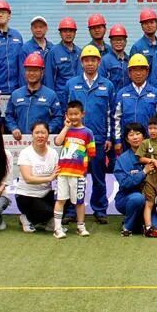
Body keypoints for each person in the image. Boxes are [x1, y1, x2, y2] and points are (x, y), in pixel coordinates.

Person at [64, 45, 115, 223]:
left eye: (93, 60)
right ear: (81, 62)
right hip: (74, 140)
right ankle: (71, 211)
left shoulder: (107, 85)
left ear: (99, 62)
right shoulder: (71, 84)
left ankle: (100, 209)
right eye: (86, 60)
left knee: (98, 177)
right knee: (74, 176)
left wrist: (108, 137)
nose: (90, 63)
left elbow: (111, 113)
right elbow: (65, 112)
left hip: (97, 139)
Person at [52, 100, 95, 238]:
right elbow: (57, 142)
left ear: (82, 114)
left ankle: (81, 226)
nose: (73, 117)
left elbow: (92, 153)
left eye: (76, 114)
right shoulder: (65, 130)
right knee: (60, 200)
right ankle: (57, 228)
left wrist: (81, 163)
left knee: (79, 201)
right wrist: (66, 127)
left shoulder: (88, 132)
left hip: (79, 174)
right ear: (66, 115)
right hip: (62, 172)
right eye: (70, 114)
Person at [112, 54, 157, 154]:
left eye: (142, 69)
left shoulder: (156, 94)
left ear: (147, 72)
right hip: (127, 143)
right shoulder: (122, 94)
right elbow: (116, 119)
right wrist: (117, 141)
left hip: (150, 143)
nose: (138, 73)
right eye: (134, 70)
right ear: (129, 73)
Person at [6, 52, 64, 140]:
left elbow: (58, 117)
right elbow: (9, 115)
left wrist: (48, 129)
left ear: (42, 72)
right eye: (29, 70)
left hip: (42, 141)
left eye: (35, 70)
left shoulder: (51, 95)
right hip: (21, 142)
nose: (32, 73)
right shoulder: (16, 95)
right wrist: (13, 128)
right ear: (25, 72)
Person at [113, 123, 157, 236]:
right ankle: (127, 226)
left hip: (149, 200)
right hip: (127, 198)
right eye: (131, 135)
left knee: (155, 226)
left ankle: (137, 221)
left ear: (144, 136)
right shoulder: (123, 159)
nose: (135, 137)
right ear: (127, 139)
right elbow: (124, 183)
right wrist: (143, 172)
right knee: (137, 198)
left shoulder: (152, 155)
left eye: (138, 134)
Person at [15, 121, 59, 233]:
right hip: (27, 196)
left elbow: (58, 173)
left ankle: (49, 222)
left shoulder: (53, 153)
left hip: (45, 194)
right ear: (32, 135)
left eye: (43, 133)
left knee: (65, 199)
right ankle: (25, 218)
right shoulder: (25, 153)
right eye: (37, 133)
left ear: (48, 134)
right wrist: (49, 178)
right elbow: (28, 179)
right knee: (47, 211)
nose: (40, 136)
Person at [18, 16, 56, 89]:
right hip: (32, 90)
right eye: (35, 27)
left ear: (46, 28)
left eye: (41, 27)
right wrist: (25, 92)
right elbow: (22, 74)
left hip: (49, 90)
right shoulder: (25, 48)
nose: (38, 30)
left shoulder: (52, 48)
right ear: (31, 29)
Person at [50, 17, 81, 105]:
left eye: (71, 31)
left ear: (75, 33)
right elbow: (49, 79)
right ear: (60, 33)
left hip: (77, 97)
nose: (68, 34)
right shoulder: (53, 52)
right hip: (60, 97)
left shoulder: (80, 52)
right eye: (65, 31)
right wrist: (51, 100)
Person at [99, 24, 132, 92]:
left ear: (125, 42)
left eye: (121, 40)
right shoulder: (105, 61)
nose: (118, 42)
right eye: (115, 40)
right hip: (111, 97)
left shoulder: (129, 61)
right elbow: (101, 82)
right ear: (111, 42)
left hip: (127, 96)